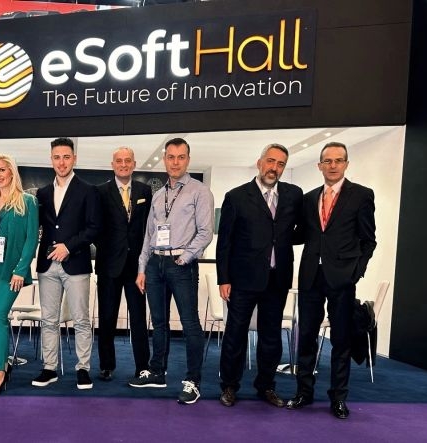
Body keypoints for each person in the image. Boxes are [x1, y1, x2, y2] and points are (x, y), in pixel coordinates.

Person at [287, 142, 376, 419]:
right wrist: (273, 229)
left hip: (342, 279)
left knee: (341, 340)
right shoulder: (309, 198)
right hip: (311, 277)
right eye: (328, 161)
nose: (333, 165)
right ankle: (304, 393)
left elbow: (369, 240)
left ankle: (338, 398)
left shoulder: (361, 195)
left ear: (346, 164)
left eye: (338, 160)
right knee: (306, 337)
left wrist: (355, 272)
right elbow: (301, 234)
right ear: (320, 165)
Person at [215, 144, 303, 408]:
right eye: (270, 161)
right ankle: (229, 386)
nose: (274, 168)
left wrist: (282, 240)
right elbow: (225, 242)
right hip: (242, 279)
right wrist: (223, 278)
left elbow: (300, 230)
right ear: (259, 162)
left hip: (277, 279)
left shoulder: (293, 195)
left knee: (271, 338)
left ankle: (266, 386)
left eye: (280, 164)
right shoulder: (236, 196)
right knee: (235, 334)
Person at [130, 137, 214, 405]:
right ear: (165, 159)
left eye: (181, 157)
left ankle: (193, 381)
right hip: (155, 264)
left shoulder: (200, 191)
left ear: (188, 159)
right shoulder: (158, 195)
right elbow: (149, 235)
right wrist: (142, 267)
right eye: (171, 157)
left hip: (181, 264)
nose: (175, 162)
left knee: (190, 324)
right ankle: (157, 372)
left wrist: (185, 257)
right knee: (159, 322)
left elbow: (206, 232)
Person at [32, 137, 101, 390]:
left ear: (74, 159)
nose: (61, 162)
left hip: (76, 264)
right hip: (47, 265)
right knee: (49, 320)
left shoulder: (88, 190)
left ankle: (83, 369)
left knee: (80, 320)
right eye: (57, 157)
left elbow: (94, 227)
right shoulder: (42, 193)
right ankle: (49, 368)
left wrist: (68, 246)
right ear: (51, 160)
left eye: (66, 157)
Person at [0, 154, 39, 397]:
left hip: (11, 271)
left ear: (12, 172)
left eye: (2, 170)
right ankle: (3, 364)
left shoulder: (27, 202)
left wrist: (21, 270)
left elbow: (31, 239)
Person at [94, 147, 151, 382]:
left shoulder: (145, 190)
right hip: (109, 265)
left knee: (138, 318)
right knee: (107, 317)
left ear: (134, 164)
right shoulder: (100, 191)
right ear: (113, 164)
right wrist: (109, 248)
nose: (124, 164)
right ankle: (106, 365)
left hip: (137, 267)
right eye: (119, 161)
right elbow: (95, 227)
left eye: (128, 160)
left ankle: (142, 367)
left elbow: (149, 227)